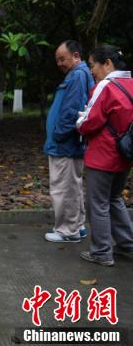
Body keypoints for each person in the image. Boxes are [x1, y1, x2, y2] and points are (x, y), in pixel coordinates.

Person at [76, 44, 133, 266]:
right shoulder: (131, 83)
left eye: (93, 65)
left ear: (107, 63)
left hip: (103, 155)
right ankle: (127, 243)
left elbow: (91, 121)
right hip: (125, 154)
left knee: (98, 204)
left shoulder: (106, 86)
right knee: (114, 198)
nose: (91, 71)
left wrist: (79, 122)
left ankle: (101, 252)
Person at [43, 40, 94, 243]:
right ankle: (77, 226)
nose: (59, 63)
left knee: (63, 187)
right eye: (57, 60)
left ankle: (67, 231)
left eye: (62, 59)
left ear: (76, 55)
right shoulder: (78, 75)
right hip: (66, 143)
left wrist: (58, 134)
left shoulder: (78, 76)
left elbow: (71, 111)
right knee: (72, 186)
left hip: (64, 144)